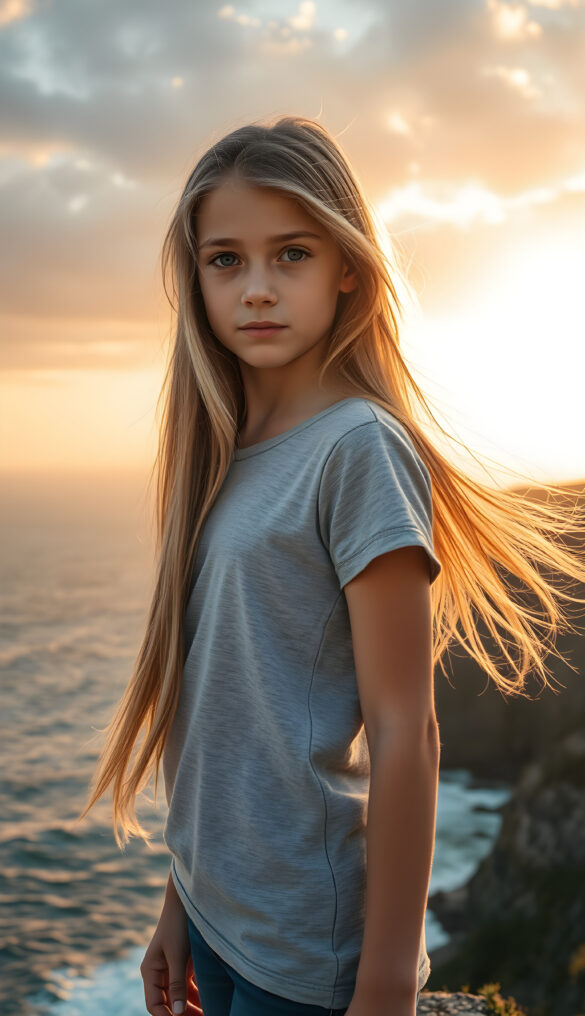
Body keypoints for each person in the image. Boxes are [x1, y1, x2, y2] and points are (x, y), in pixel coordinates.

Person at [83, 115, 585, 1016]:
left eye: (293, 254)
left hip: (304, 957)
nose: (258, 289)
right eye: (225, 260)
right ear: (194, 279)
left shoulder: (357, 448)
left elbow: (407, 732)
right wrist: (176, 903)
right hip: (216, 922)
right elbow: (221, 713)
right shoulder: (222, 454)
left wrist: (386, 987)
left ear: (347, 265)